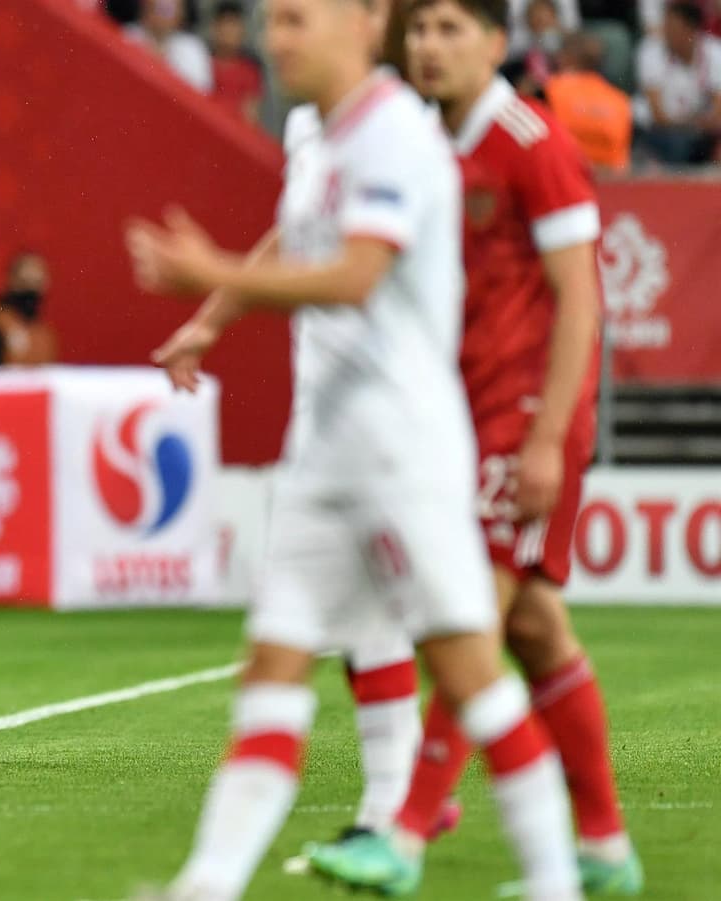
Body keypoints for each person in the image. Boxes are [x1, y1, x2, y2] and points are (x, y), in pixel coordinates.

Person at [123, 1, 581, 899]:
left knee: (473, 676)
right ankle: (205, 885)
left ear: (366, 24)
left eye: (298, 19)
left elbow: (356, 274)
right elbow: (297, 242)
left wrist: (211, 274)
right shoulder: (320, 135)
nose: (276, 38)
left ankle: (557, 879)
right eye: (272, 21)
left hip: (404, 449)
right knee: (274, 667)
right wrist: (210, 319)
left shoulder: (398, 136)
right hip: (323, 448)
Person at [310, 0, 643, 895]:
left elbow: (581, 299)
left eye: (451, 29)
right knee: (532, 626)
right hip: (460, 412)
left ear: (497, 44)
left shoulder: (531, 141)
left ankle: (406, 832)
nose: (428, 46)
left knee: (470, 618)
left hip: (523, 414)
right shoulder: (422, 143)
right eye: (418, 30)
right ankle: (606, 846)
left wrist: (547, 437)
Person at [636, 0, 721, 164]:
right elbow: (658, 114)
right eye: (666, 26)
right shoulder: (651, 51)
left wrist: (704, 124)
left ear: (692, 30)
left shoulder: (714, 51)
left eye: (673, 27)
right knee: (679, 145)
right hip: (657, 130)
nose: (666, 32)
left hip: (698, 130)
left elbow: (719, 108)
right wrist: (692, 124)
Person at [546, 31, 633, 173]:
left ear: (565, 57)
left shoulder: (550, 89)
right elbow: (622, 164)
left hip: (564, 177)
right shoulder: (620, 100)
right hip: (611, 182)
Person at [0, 252, 59, 369]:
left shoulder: (45, 334)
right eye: (25, 281)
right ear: (11, 281)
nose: (31, 289)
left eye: (36, 282)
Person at [125, 0, 215, 93]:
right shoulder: (128, 36)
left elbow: (202, 90)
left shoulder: (192, 47)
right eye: (158, 8)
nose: (161, 16)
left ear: (181, 14)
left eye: (168, 10)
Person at [209, 1, 266, 123]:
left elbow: (251, 117)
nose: (228, 32)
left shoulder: (250, 70)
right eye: (224, 25)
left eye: (233, 26)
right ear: (214, 29)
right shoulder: (203, 63)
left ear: (242, 31)